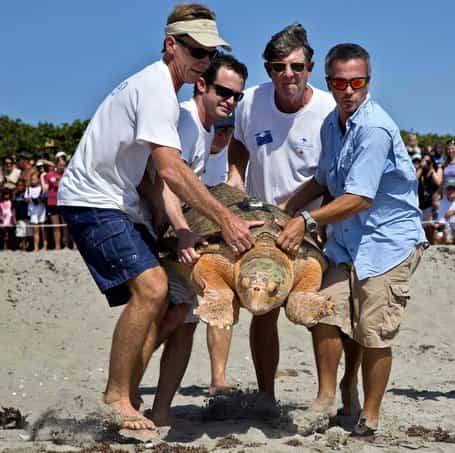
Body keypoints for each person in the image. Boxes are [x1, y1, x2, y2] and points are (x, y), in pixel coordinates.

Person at [57, 3, 259, 432]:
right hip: (94, 199)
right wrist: (218, 222)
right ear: (172, 45)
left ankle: (137, 400)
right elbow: (167, 172)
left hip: (119, 203)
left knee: (171, 303)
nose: (203, 61)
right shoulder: (156, 90)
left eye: (209, 53)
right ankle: (118, 397)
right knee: (152, 289)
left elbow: (164, 178)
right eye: (196, 51)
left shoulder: (165, 94)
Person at [277, 43, 426, 436]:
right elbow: (324, 180)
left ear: (368, 81)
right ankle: (329, 395)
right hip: (344, 242)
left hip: (387, 244)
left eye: (356, 82)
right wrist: (282, 211)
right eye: (340, 82)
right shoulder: (331, 123)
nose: (348, 90)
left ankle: (368, 415)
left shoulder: (374, 128)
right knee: (325, 313)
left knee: (372, 331)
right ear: (329, 81)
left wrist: (305, 219)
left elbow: (360, 197)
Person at [226, 24, 336, 405]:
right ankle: (265, 394)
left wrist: (295, 212)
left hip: (311, 227)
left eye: (296, 66)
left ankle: (325, 397)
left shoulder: (328, 110)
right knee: (262, 308)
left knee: (318, 309)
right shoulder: (251, 103)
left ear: (310, 67)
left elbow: (329, 175)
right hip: (260, 225)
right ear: (268, 69)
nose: (287, 75)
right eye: (278, 67)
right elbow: (238, 143)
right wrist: (235, 176)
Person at [148, 54, 248, 427]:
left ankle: (159, 409)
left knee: (186, 319)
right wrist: (183, 230)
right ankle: (125, 392)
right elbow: (166, 181)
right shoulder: (187, 122)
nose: (230, 101)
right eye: (224, 91)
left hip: (174, 232)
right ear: (201, 84)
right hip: (159, 231)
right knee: (170, 315)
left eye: (236, 96)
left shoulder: (204, 127)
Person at [43, 161, 66, 249]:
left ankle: (66, 245)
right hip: (52, 202)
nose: (62, 167)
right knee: (55, 226)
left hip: (64, 202)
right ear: (56, 165)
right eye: (60, 165)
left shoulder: (68, 174)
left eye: (64, 165)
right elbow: (45, 187)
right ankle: (57, 246)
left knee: (65, 226)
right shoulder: (49, 175)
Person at [25, 172, 47, 251]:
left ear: (38, 179)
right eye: (32, 179)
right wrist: (30, 199)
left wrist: (39, 199)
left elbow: (45, 197)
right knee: (35, 229)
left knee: (43, 228)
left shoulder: (42, 188)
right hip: (33, 211)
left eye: (34, 179)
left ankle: (45, 246)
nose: (33, 180)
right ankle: (36, 246)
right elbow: (26, 198)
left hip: (41, 209)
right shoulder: (28, 188)